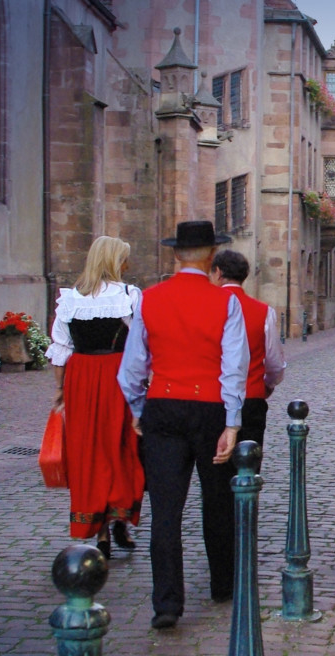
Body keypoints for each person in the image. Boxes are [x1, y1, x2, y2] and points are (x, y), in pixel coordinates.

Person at [118, 220, 249, 630]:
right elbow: (234, 366)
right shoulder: (225, 303)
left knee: (166, 510)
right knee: (217, 500)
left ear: (176, 255)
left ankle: (167, 603)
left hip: (163, 406)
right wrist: (232, 421)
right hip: (209, 407)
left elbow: (132, 368)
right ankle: (223, 583)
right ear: (212, 257)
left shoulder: (148, 300)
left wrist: (139, 407)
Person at [45, 236, 146, 560]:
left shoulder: (71, 300)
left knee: (89, 451)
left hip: (81, 378)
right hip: (115, 376)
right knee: (121, 447)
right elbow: (140, 345)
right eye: (124, 259)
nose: (128, 265)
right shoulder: (128, 296)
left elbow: (61, 350)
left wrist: (60, 391)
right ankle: (116, 519)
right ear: (116, 262)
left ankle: (103, 528)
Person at [210, 250, 285, 449]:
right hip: (251, 394)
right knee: (249, 462)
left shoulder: (208, 305)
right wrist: (268, 384)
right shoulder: (262, 310)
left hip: (212, 397)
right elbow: (274, 361)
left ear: (217, 273)